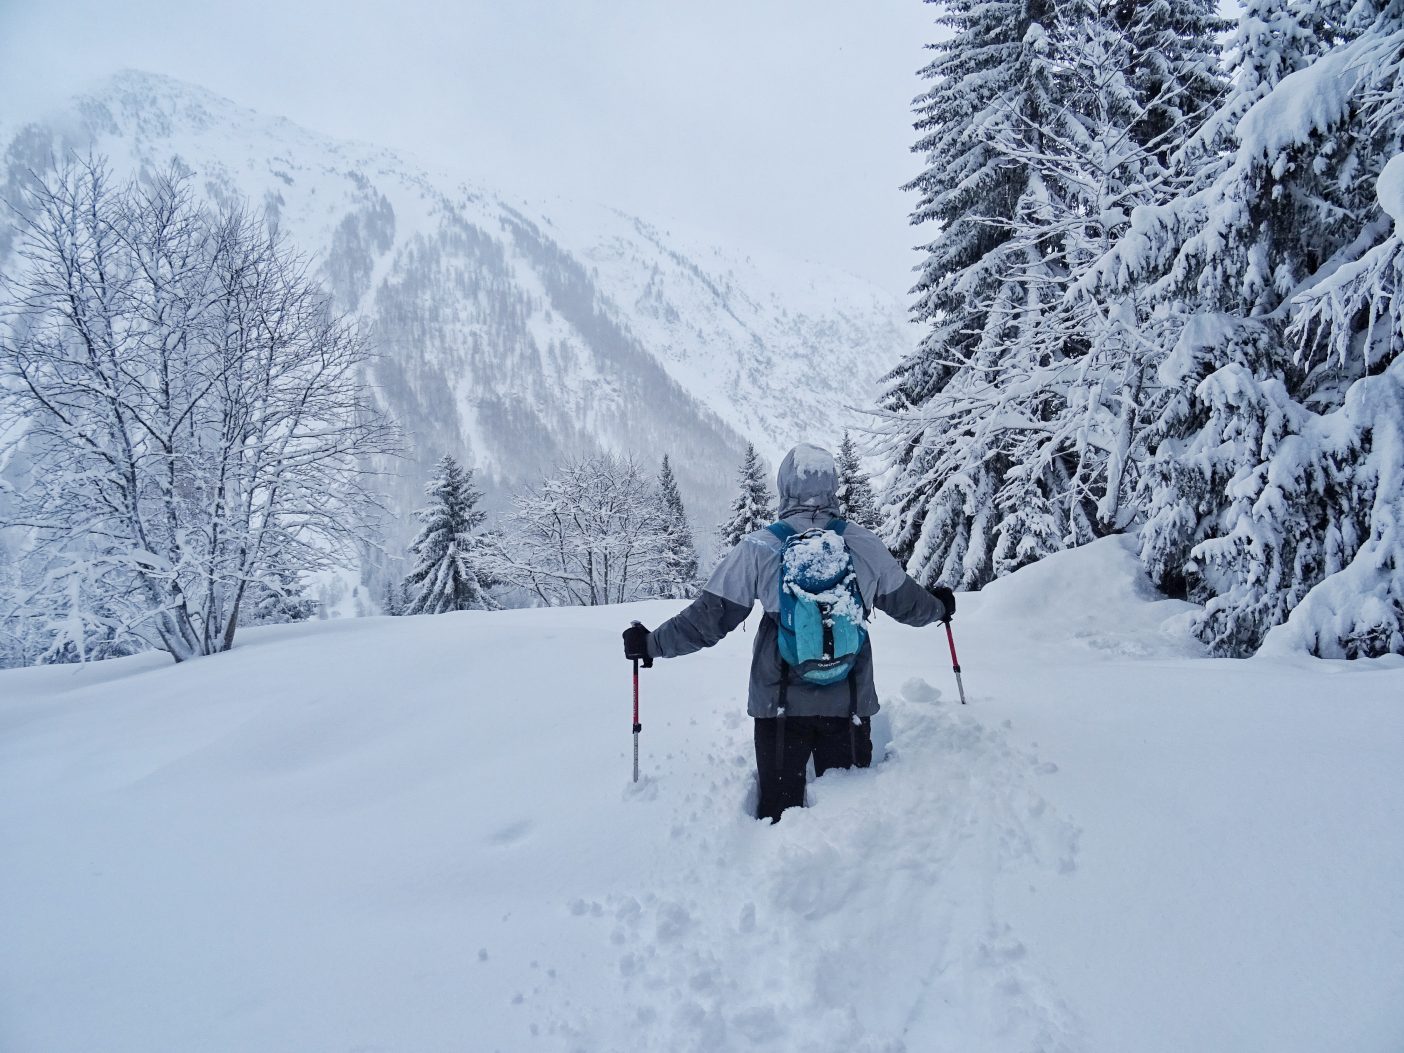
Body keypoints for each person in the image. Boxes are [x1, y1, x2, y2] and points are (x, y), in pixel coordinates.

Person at [622, 443, 954, 823]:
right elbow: (910, 605)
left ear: (784, 488)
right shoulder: (863, 545)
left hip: (777, 707)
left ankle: (773, 874)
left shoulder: (761, 547)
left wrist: (651, 644)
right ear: (832, 488)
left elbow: (707, 619)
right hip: (848, 706)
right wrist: (941, 607)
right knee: (849, 823)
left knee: (777, 819)